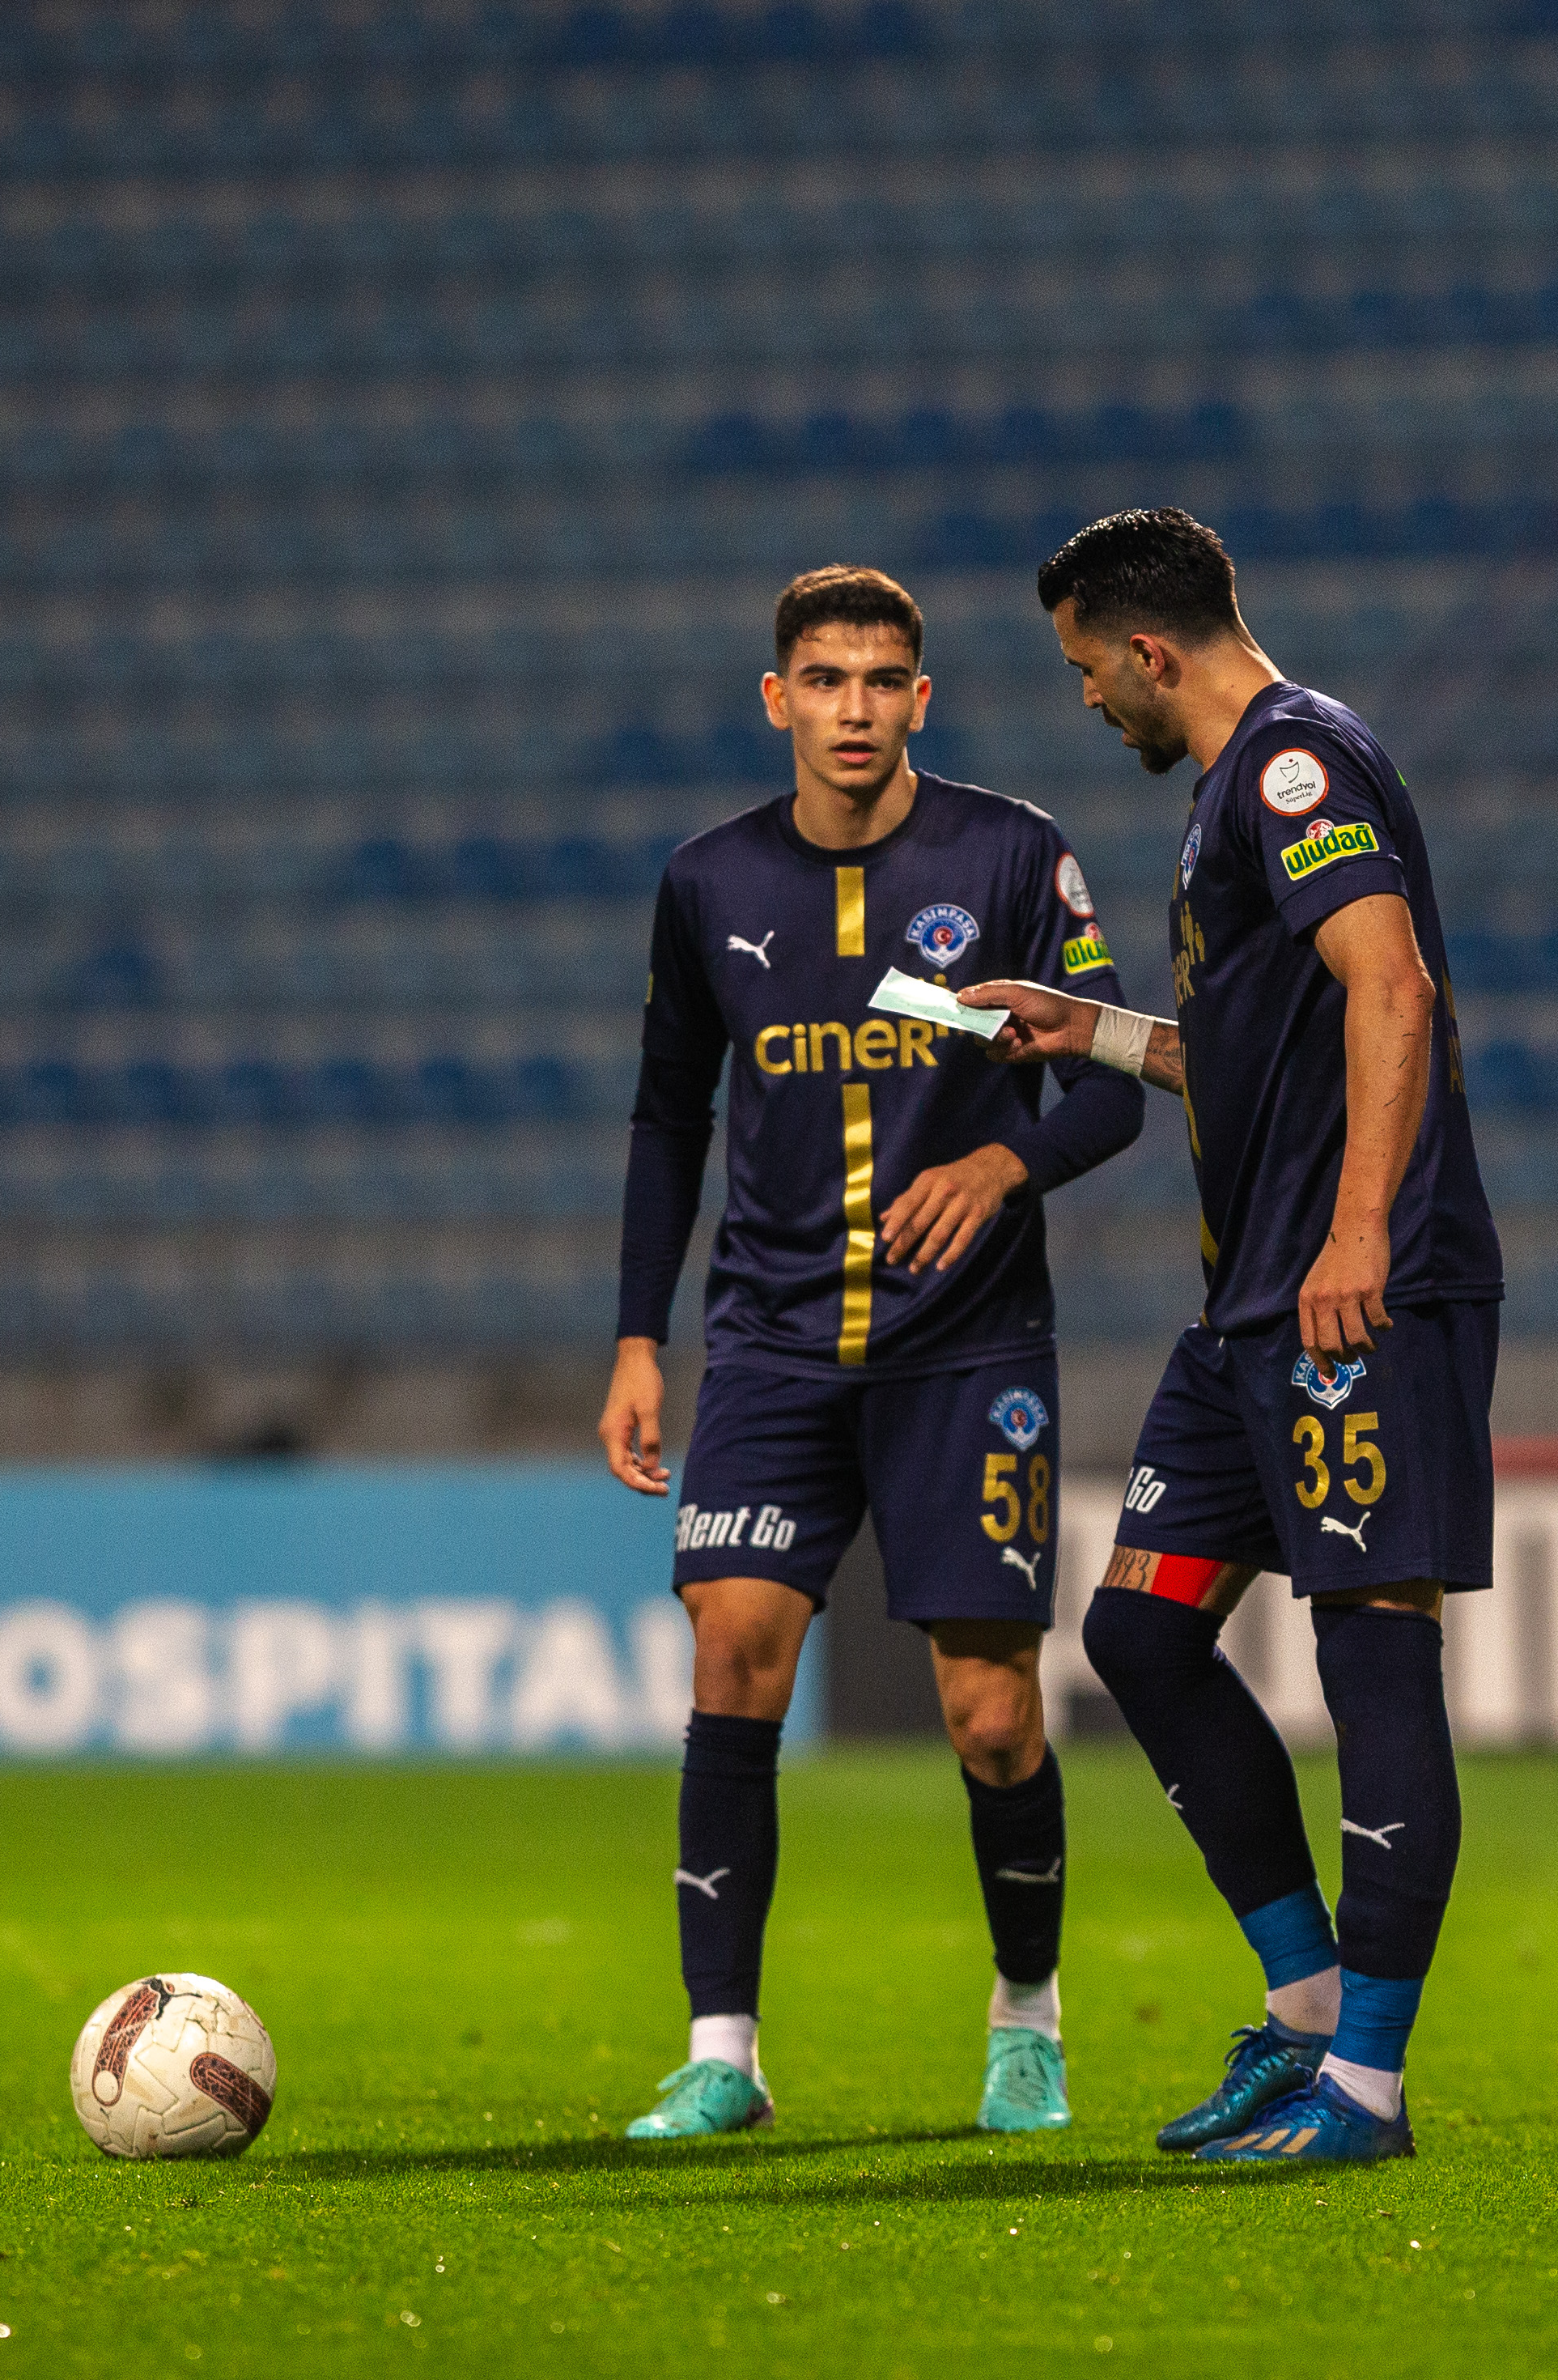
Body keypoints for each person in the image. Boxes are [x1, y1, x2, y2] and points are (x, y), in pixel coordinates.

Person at [961, 508, 1502, 2166]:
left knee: (1371, 1642)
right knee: (1136, 1632)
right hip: (1249, 1310)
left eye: (1086, 670)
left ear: (1149, 651)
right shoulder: (1225, 800)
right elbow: (1255, 1051)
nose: (1085, 701)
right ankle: (1310, 2008)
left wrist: (1359, 1232)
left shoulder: (1291, 768)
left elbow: (1392, 988)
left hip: (1356, 1293)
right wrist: (1092, 1031)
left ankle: (1368, 2091)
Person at [599, 564, 1145, 2140]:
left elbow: (1114, 1085)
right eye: (827, 681)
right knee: (732, 1656)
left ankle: (1027, 2018)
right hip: (771, 1345)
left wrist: (1002, 1164)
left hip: (967, 1350)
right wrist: (638, 1338)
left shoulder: (1011, 857)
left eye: (883, 680)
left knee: (992, 1715)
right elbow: (667, 1117)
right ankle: (723, 2054)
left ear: (923, 698)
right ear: (779, 700)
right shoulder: (708, 883)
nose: (855, 708)